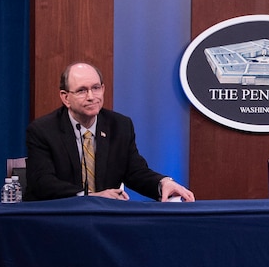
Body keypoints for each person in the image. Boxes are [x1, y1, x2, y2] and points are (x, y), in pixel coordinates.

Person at [24, 62, 195, 202]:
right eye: (82, 90)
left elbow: (135, 172)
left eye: (96, 88)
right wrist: (89, 197)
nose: (91, 96)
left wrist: (162, 183)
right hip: (56, 219)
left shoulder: (120, 126)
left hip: (104, 220)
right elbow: (42, 182)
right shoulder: (43, 130)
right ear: (65, 97)